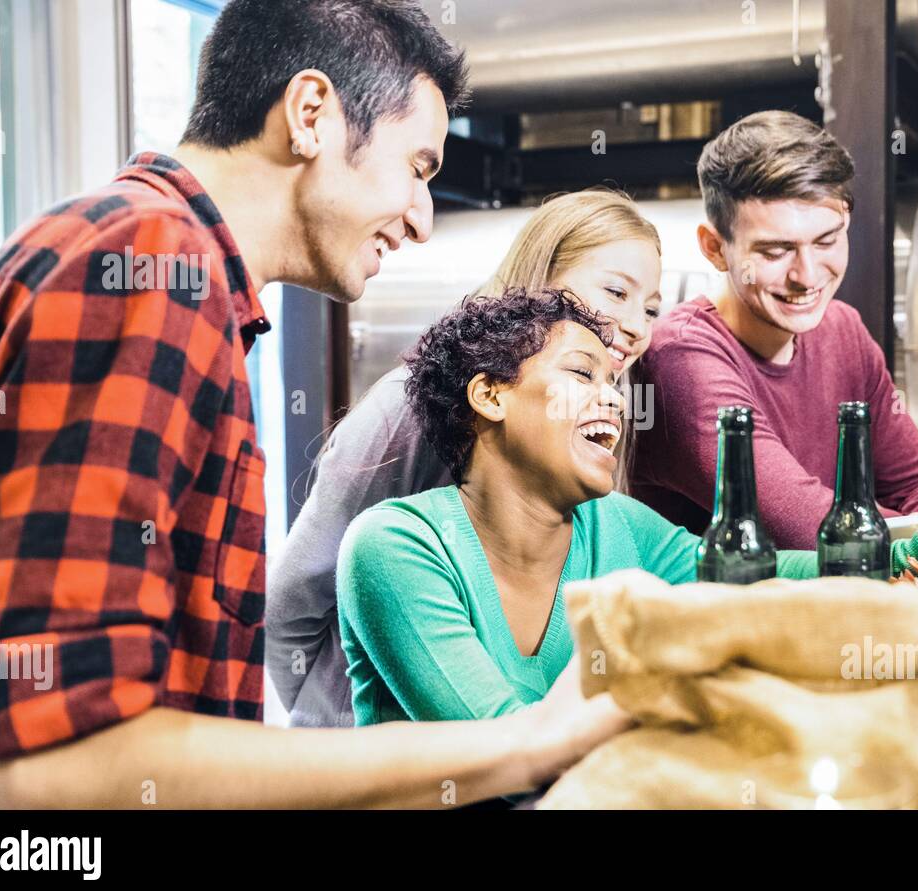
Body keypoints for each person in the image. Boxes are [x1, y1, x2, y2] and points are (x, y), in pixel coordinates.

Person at [0, 0, 627, 811]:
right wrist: (527, 743)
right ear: (310, 115)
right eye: (417, 167)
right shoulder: (149, 263)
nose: (420, 219)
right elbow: (59, 772)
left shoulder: (153, 263)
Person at [337, 289, 918, 725]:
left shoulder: (619, 525)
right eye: (583, 374)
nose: (614, 401)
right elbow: (506, 748)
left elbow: (766, 574)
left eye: (614, 384)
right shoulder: (396, 547)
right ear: (490, 396)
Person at [267, 189, 663, 727]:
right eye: (616, 292)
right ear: (542, 278)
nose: (637, 324)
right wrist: (331, 726)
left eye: (652, 308)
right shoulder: (403, 407)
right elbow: (293, 601)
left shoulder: (591, 423)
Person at [631, 110, 918, 551]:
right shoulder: (680, 359)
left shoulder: (842, 330)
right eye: (775, 251)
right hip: (718, 617)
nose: (807, 276)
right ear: (715, 248)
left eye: (827, 241)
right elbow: (802, 525)